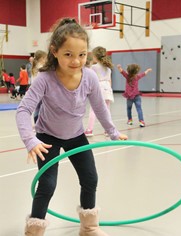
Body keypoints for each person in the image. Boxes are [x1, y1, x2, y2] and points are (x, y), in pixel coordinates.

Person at [16, 17, 127, 236]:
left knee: (90, 179)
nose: (76, 61)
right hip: (47, 137)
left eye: (82, 54)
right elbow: (23, 110)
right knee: (47, 184)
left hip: (76, 135)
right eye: (68, 54)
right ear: (54, 51)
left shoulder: (90, 77)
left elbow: (100, 108)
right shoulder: (44, 79)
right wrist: (31, 140)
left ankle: (89, 227)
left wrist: (113, 131)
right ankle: (34, 231)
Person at [85, 46, 114, 137]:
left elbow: (90, 78)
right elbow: (110, 81)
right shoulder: (108, 68)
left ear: (95, 56)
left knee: (93, 110)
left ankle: (89, 130)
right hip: (108, 89)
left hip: (99, 88)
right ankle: (108, 130)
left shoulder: (93, 67)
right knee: (106, 110)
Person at [31, 50, 47, 123]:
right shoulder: (41, 68)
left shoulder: (35, 67)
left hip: (36, 90)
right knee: (40, 108)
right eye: (45, 58)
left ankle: (37, 122)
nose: (46, 60)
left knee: (38, 108)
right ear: (41, 58)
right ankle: (38, 122)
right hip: (39, 91)